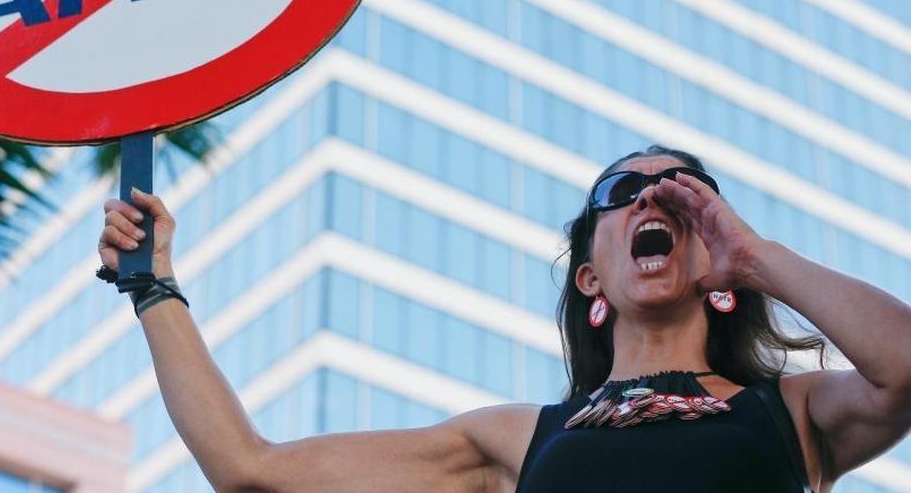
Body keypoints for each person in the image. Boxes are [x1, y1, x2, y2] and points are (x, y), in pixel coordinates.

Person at [97, 144, 911, 492]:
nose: (651, 198)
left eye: (683, 192)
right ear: (591, 273)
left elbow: (903, 367)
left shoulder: (791, 409)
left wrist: (758, 254)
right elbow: (252, 468)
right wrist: (153, 285)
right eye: (621, 194)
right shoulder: (518, 438)